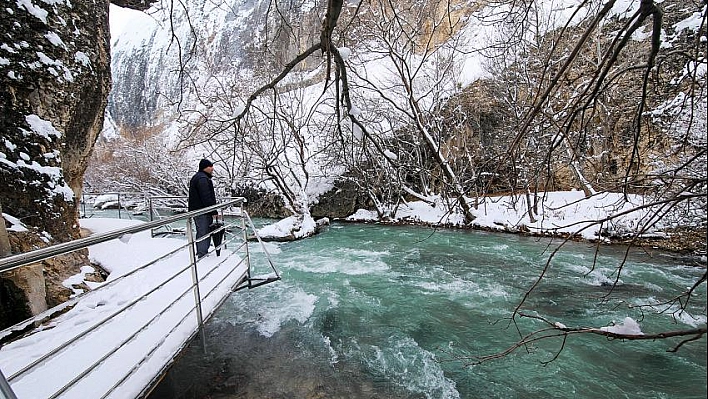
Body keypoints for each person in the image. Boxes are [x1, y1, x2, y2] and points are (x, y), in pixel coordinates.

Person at [188, 159, 217, 258]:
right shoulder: (202, 179)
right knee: (204, 231)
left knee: (202, 230)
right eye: (210, 166)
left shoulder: (199, 177)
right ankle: (202, 253)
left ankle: (202, 251)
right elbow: (206, 196)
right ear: (205, 167)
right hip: (202, 211)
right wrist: (213, 210)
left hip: (198, 210)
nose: (212, 168)